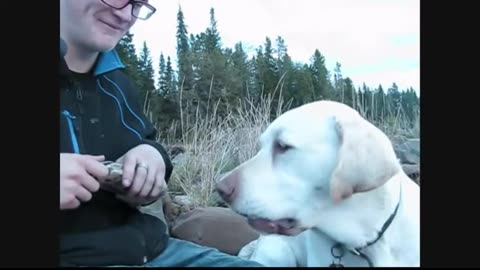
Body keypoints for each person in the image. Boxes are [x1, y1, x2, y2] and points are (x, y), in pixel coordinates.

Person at [59, 0, 264, 267]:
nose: (125, 14)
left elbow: (144, 139)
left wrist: (151, 157)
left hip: (152, 250)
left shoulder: (116, 81)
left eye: (136, 4)